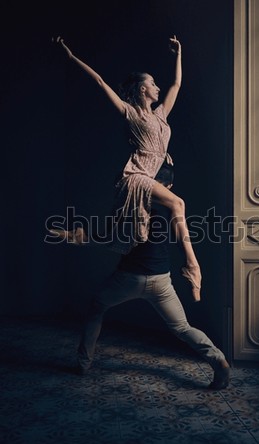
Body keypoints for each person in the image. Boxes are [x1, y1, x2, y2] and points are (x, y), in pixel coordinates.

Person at [53, 35, 202, 301]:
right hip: (135, 177)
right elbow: (99, 81)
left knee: (131, 231)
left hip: (153, 175)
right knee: (178, 205)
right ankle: (192, 267)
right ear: (142, 89)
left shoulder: (160, 114)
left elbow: (177, 84)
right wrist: (71, 56)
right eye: (152, 84)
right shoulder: (130, 113)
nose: (157, 87)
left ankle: (81, 235)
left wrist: (179, 53)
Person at [76, 163, 230, 390]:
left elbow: (108, 237)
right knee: (183, 328)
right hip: (161, 282)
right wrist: (192, 265)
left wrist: (80, 235)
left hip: (128, 279)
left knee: (97, 307)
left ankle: (83, 363)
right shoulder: (172, 210)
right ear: (168, 186)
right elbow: (181, 239)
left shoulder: (130, 205)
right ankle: (218, 360)